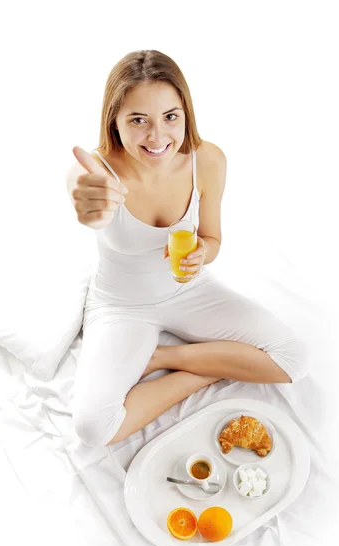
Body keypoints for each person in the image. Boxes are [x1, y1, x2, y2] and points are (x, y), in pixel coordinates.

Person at [66, 50, 308, 448]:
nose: (157, 136)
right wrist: (91, 207)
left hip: (190, 289)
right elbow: (89, 210)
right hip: (121, 305)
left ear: (186, 113)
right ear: (114, 120)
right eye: (138, 120)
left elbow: (211, 239)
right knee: (93, 429)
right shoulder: (94, 173)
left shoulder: (207, 160)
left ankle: (163, 358)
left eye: (170, 117)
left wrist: (203, 254)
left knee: (294, 358)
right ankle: (211, 367)